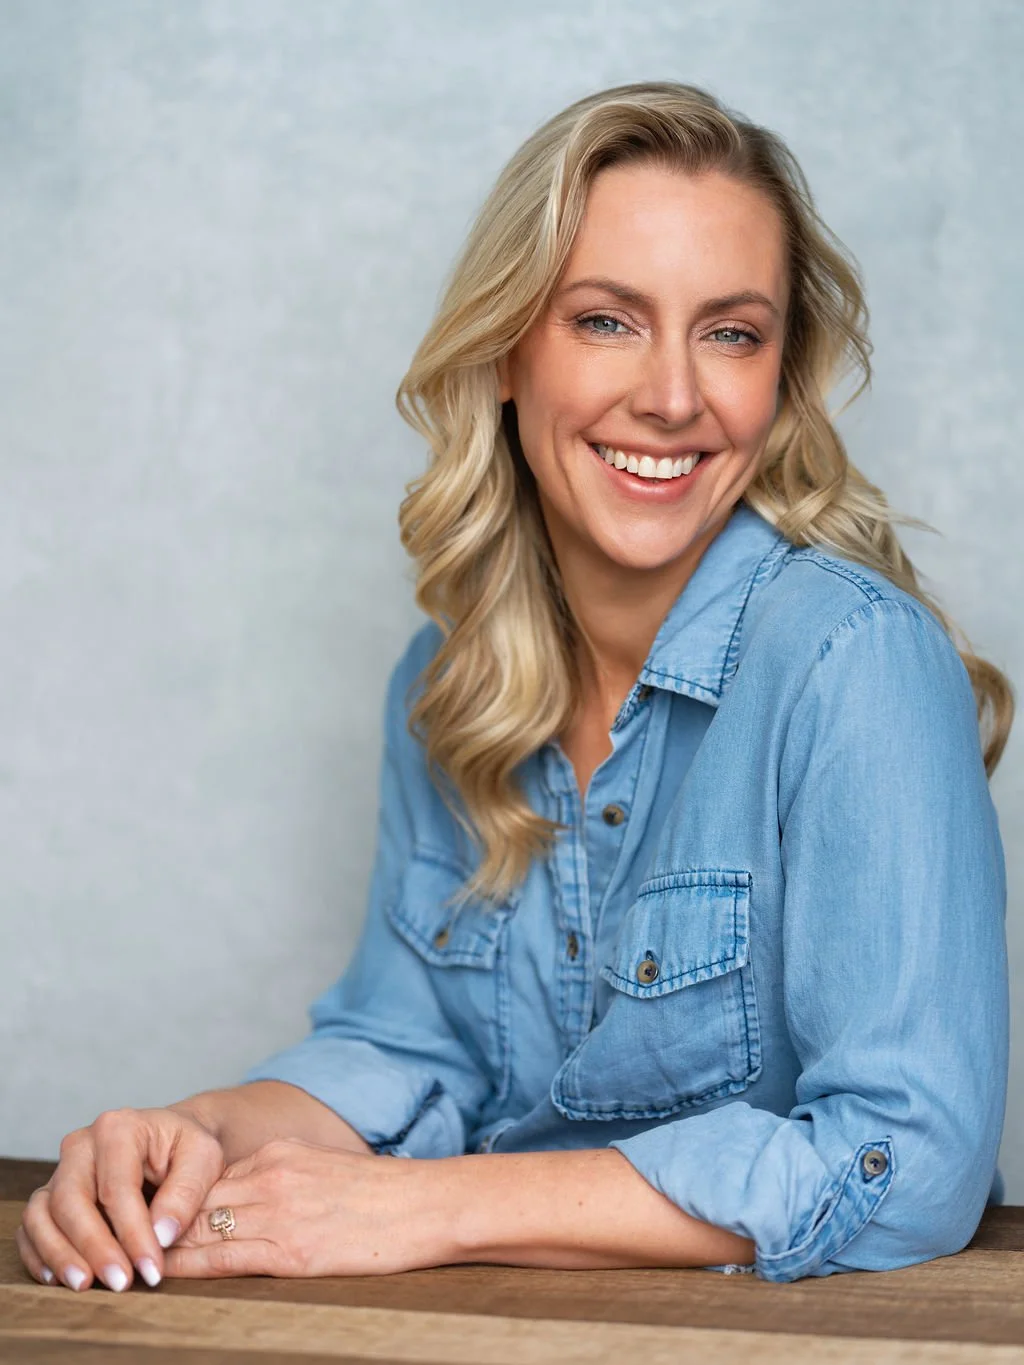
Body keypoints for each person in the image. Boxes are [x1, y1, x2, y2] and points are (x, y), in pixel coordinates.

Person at [17, 81, 1013, 1292]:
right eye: (606, 320)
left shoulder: (854, 659)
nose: (674, 396)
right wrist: (196, 1138)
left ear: (778, 377)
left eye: (731, 332)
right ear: (503, 349)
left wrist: (427, 1212)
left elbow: (908, 1163)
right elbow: (406, 1046)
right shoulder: (449, 679)